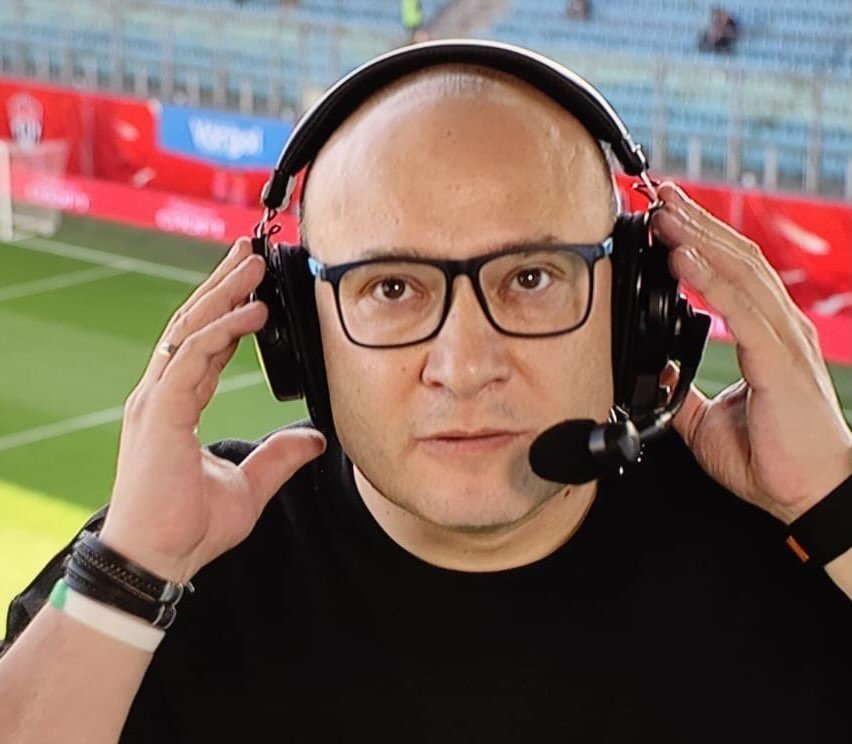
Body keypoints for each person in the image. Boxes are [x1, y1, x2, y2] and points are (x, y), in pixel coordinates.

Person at [1, 42, 852, 742]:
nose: (464, 365)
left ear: (638, 309)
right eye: (392, 288)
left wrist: (832, 501)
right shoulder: (159, 570)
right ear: (299, 332)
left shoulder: (799, 547)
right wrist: (130, 575)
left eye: (530, 277)